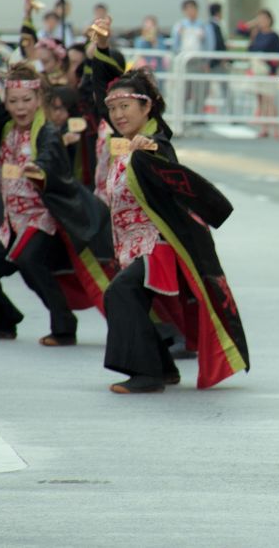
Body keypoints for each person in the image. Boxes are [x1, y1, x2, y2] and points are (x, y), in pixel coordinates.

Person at [90, 20, 249, 394]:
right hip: (131, 245)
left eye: (127, 107)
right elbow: (105, 93)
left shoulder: (154, 146)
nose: (118, 114)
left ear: (148, 108)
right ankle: (162, 368)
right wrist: (101, 50)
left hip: (159, 244)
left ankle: (147, 374)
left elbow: (180, 189)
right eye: (115, 110)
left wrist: (151, 155)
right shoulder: (123, 140)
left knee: (119, 294)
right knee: (128, 298)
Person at [0, 45, 111, 345]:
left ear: (39, 100)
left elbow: (52, 160)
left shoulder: (47, 132)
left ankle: (64, 325)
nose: (20, 107)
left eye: (27, 100)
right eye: (13, 101)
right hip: (11, 225)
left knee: (29, 261)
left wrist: (38, 169)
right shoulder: (6, 127)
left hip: (42, 220)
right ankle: (4, 318)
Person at [248, 8, 279, 138]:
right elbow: (241, 32)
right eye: (260, 18)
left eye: (264, 18)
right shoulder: (256, 34)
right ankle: (264, 128)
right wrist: (252, 29)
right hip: (257, 71)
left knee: (270, 100)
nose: (262, 21)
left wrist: (273, 69)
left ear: (270, 20)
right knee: (261, 100)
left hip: (268, 71)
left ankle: (276, 128)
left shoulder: (274, 36)